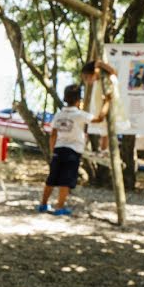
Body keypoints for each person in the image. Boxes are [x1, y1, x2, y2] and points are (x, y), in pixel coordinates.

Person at [37, 84, 108, 216]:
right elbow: (99, 119)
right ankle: (60, 206)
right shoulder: (80, 115)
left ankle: (43, 204)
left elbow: (53, 134)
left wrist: (53, 150)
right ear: (78, 100)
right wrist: (107, 102)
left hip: (58, 150)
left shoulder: (59, 114)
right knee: (65, 180)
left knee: (52, 178)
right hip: (73, 151)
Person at [81, 59, 131, 152]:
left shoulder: (108, 78)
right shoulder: (99, 82)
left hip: (109, 109)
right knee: (104, 132)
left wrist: (99, 64)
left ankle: (105, 150)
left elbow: (113, 71)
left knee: (107, 131)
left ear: (95, 71)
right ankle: (104, 150)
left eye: (87, 77)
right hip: (103, 110)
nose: (87, 81)